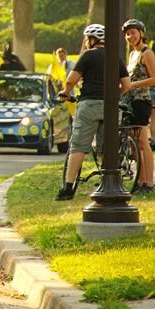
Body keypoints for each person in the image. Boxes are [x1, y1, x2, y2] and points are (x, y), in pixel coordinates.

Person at [56, 24, 131, 201]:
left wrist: (66, 93)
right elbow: (126, 86)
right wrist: (113, 95)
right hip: (111, 107)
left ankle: (67, 188)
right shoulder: (116, 57)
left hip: (89, 105)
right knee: (107, 147)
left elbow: (71, 80)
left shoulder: (88, 56)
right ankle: (107, 182)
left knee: (78, 146)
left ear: (92, 39)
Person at [122, 19, 155, 194]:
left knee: (143, 142)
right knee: (136, 144)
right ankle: (140, 180)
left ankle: (148, 182)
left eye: (133, 32)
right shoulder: (131, 55)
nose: (130, 36)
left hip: (142, 101)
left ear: (141, 33)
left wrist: (133, 85)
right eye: (127, 34)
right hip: (130, 101)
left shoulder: (147, 53)